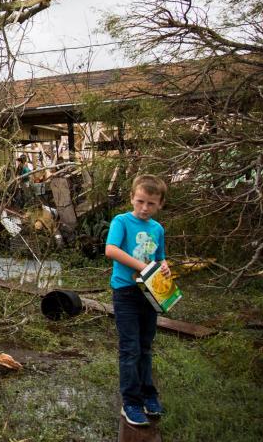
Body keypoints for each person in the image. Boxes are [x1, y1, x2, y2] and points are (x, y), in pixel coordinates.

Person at [104, 174, 171, 427]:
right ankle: (130, 401)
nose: (144, 208)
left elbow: (161, 256)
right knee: (130, 348)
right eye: (140, 201)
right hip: (126, 294)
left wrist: (164, 267)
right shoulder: (121, 221)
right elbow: (111, 250)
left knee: (145, 345)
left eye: (151, 204)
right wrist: (144, 267)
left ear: (160, 204)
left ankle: (148, 394)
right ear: (132, 197)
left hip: (149, 293)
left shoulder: (157, 229)